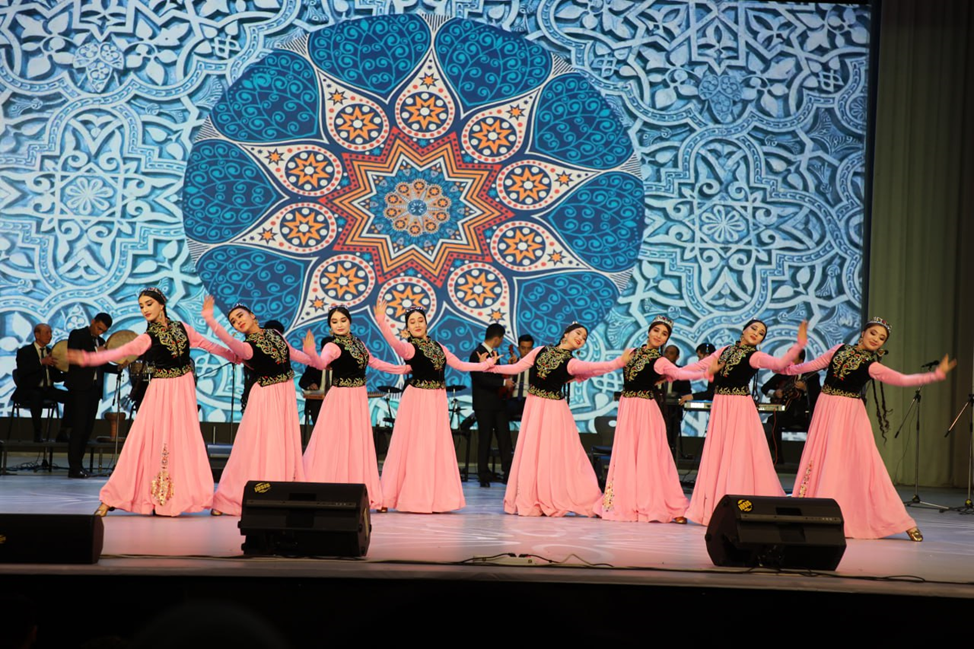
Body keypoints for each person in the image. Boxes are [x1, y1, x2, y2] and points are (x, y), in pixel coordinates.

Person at [67, 288, 236, 516]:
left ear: (161, 305)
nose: (145, 309)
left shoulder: (182, 328)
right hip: (162, 389)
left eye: (148, 304)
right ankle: (116, 496)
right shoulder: (149, 336)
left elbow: (209, 345)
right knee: (147, 438)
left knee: (182, 440)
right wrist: (89, 358)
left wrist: (234, 356)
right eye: (141, 306)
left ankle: (181, 497)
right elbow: (124, 350)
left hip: (184, 388)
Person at [783, 318, 955, 541]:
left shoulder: (871, 365)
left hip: (848, 413)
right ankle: (813, 511)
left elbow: (901, 380)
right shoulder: (839, 349)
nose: (876, 339)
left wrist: (935, 375)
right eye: (873, 333)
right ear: (863, 333)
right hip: (825, 408)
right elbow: (810, 366)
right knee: (821, 457)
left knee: (861, 463)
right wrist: (786, 367)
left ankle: (900, 520)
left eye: (881, 338)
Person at [487, 323, 632, 517]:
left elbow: (595, 367)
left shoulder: (571, 362)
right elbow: (516, 367)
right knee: (533, 452)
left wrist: (618, 362)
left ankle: (566, 496)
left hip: (554, 409)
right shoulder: (540, 351)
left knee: (558, 453)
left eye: (584, 337)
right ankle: (533, 496)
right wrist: (490, 367)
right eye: (578, 333)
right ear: (565, 335)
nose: (581, 338)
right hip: (534, 406)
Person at [374, 297, 493, 513]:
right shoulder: (410, 348)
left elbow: (460, 365)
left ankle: (435, 499)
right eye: (412, 322)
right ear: (407, 328)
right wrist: (382, 321)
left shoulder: (439, 347)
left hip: (436, 399)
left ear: (426, 323)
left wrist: (486, 364)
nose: (417, 324)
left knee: (434, 447)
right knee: (415, 446)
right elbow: (395, 344)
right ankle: (407, 497)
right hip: (418, 399)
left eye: (420, 320)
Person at [684, 319, 807, 526]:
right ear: (744, 330)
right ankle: (714, 504)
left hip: (739, 406)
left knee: (737, 452)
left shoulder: (755, 356)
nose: (756, 333)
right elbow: (698, 366)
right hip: (721, 405)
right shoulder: (724, 351)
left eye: (761, 333)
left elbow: (779, 365)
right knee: (719, 452)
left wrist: (799, 345)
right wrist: (671, 372)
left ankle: (736, 501)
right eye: (754, 328)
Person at [203, 298, 313, 516]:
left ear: (252, 315)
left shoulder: (275, 334)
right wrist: (211, 320)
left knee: (283, 443)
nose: (238, 322)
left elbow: (294, 354)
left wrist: (316, 360)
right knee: (259, 445)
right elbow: (228, 341)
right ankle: (230, 498)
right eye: (233, 322)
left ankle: (280, 492)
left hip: (285, 395)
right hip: (265, 397)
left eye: (240, 316)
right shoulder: (246, 347)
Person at [596, 317, 712, 523]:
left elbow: (680, 373)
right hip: (627, 406)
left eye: (664, 334)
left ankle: (667, 504)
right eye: (656, 330)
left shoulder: (660, 361)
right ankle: (621, 501)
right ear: (649, 331)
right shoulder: (632, 353)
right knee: (626, 453)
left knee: (650, 454)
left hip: (644, 409)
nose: (659, 335)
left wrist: (706, 372)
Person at [301, 306, 410, 510]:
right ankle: (328, 489)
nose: (339, 325)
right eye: (334, 322)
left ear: (350, 322)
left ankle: (364, 494)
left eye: (343, 320)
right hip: (341, 398)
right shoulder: (332, 346)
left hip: (357, 397)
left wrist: (402, 369)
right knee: (335, 442)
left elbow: (374, 362)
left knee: (357, 444)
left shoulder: (358, 343)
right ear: (330, 326)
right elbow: (321, 363)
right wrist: (311, 353)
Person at [64, 312, 114, 478]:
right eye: (99, 328)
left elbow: (103, 365)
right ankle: (74, 467)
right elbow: (74, 355)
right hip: (79, 388)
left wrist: (119, 367)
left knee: (87, 429)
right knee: (78, 428)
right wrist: (96, 351)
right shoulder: (78, 335)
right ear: (93, 322)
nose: (100, 332)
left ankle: (79, 464)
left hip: (94, 389)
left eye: (103, 331)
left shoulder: (101, 342)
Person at [469, 323, 513, 487]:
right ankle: (484, 474)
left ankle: (508, 473)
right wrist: (503, 382)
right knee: (485, 439)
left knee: (504, 439)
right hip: (484, 404)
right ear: (496, 338)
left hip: (499, 403)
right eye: (501, 339)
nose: (501, 342)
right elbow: (480, 378)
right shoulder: (477, 353)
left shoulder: (494, 354)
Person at [761, 349, 821, 465]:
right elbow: (765, 388)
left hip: (804, 414)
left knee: (816, 427)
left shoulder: (812, 376)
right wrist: (774, 393)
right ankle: (777, 457)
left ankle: (812, 460)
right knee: (773, 421)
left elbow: (817, 396)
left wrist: (805, 389)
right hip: (786, 413)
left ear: (801, 360)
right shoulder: (783, 373)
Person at [13, 323, 67, 442]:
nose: (50, 335)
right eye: (47, 333)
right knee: (36, 396)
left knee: (72, 398)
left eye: (51, 332)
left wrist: (68, 372)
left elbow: (56, 377)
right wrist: (41, 362)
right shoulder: (25, 351)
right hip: (31, 388)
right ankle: (38, 432)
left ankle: (63, 431)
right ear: (37, 335)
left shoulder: (52, 352)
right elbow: (22, 372)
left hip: (48, 389)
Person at [661, 344, 691, 455]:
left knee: (671, 438)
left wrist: (677, 396)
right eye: (666, 352)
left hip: (673, 411)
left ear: (677, 357)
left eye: (671, 353)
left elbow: (687, 392)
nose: (667, 355)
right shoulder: (657, 371)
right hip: (657, 408)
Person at [506, 334, 534, 421]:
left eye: (529, 348)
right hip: (513, 398)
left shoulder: (536, 366)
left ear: (532, 349)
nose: (526, 351)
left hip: (530, 399)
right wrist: (510, 367)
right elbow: (506, 384)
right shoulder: (513, 363)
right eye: (523, 348)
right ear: (518, 348)